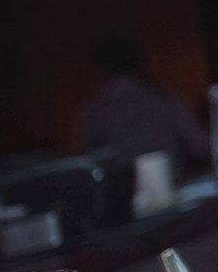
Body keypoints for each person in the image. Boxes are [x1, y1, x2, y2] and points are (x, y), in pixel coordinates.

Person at [74, 32, 209, 181]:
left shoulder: (94, 110)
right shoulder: (163, 98)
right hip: (171, 186)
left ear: (99, 68)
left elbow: (82, 163)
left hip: (125, 192)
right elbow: (200, 145)